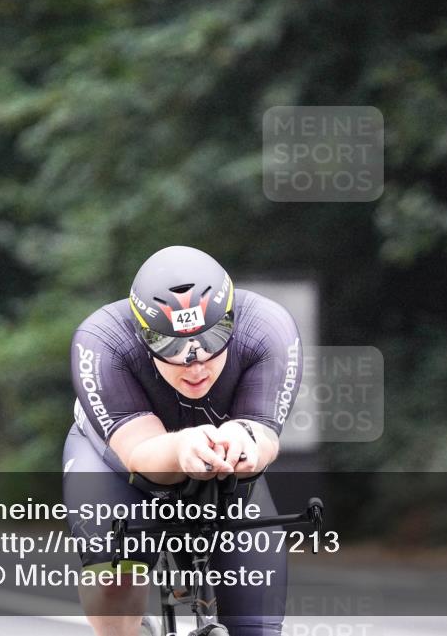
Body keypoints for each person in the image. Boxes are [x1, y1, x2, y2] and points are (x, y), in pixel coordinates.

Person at [63, 245, 301, 636]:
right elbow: (139, 452)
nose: (195, 362)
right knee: (114, 583)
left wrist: (243, 443)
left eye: (213, 337)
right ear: (143, 335)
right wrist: (181, 448)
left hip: (225, 473)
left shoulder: (267, 327)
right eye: (169, 345)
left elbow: (262, 434)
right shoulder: (102, 339)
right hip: (118, 465)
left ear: (232, 319)